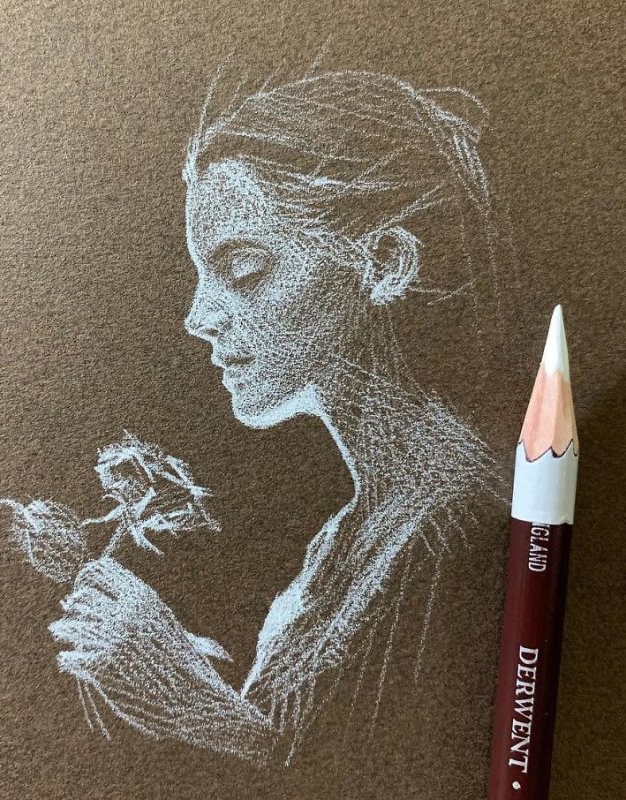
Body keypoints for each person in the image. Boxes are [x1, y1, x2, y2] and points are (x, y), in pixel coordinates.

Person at [50, 71, 511, 792]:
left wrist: (193, 707)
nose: (199, 317)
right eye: (202, 274)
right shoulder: (346, 538)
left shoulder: (457, 523)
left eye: (244, 269)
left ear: (384, 264)